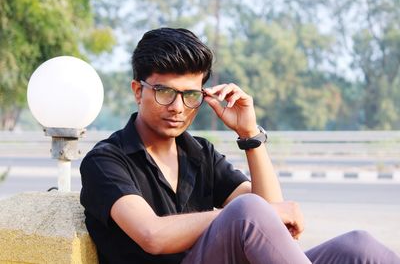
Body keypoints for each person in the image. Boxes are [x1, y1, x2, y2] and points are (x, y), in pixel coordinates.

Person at [80, 27, 400, 264]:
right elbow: (152, 235)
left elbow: (273, 222)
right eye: (165, 92)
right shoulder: (106, 160)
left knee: (359, 249)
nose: (178, 107)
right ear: (138, 91)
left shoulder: (200, 154)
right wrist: (233, 214)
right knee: (245, 210)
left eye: (190, 95)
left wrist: (250, 136)